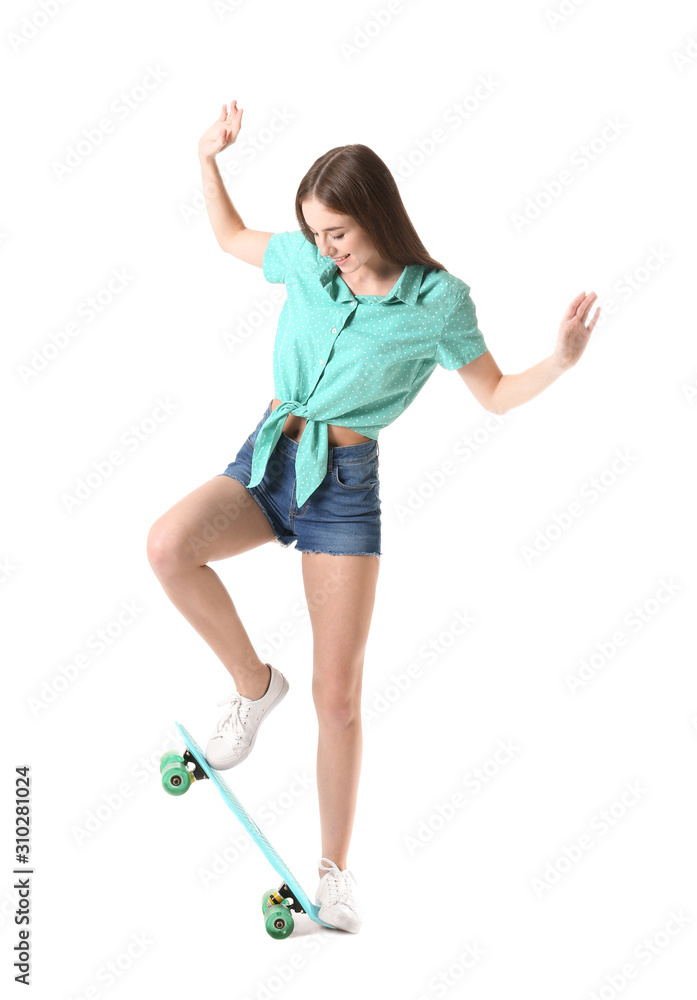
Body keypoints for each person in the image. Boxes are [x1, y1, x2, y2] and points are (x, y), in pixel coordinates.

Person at [146, 100, 601, 933]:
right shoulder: (306, 262)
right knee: (169, 546)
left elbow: (494, 395)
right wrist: (205, 158)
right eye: (316, 234)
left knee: (339, 696)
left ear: (378, 217)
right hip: (270, 451)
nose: (327, 250)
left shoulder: (437, 303)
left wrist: (561, 362)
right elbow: (228, 237)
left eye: (340, 234)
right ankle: (252, 688)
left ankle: (334, 871)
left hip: (344, 486)